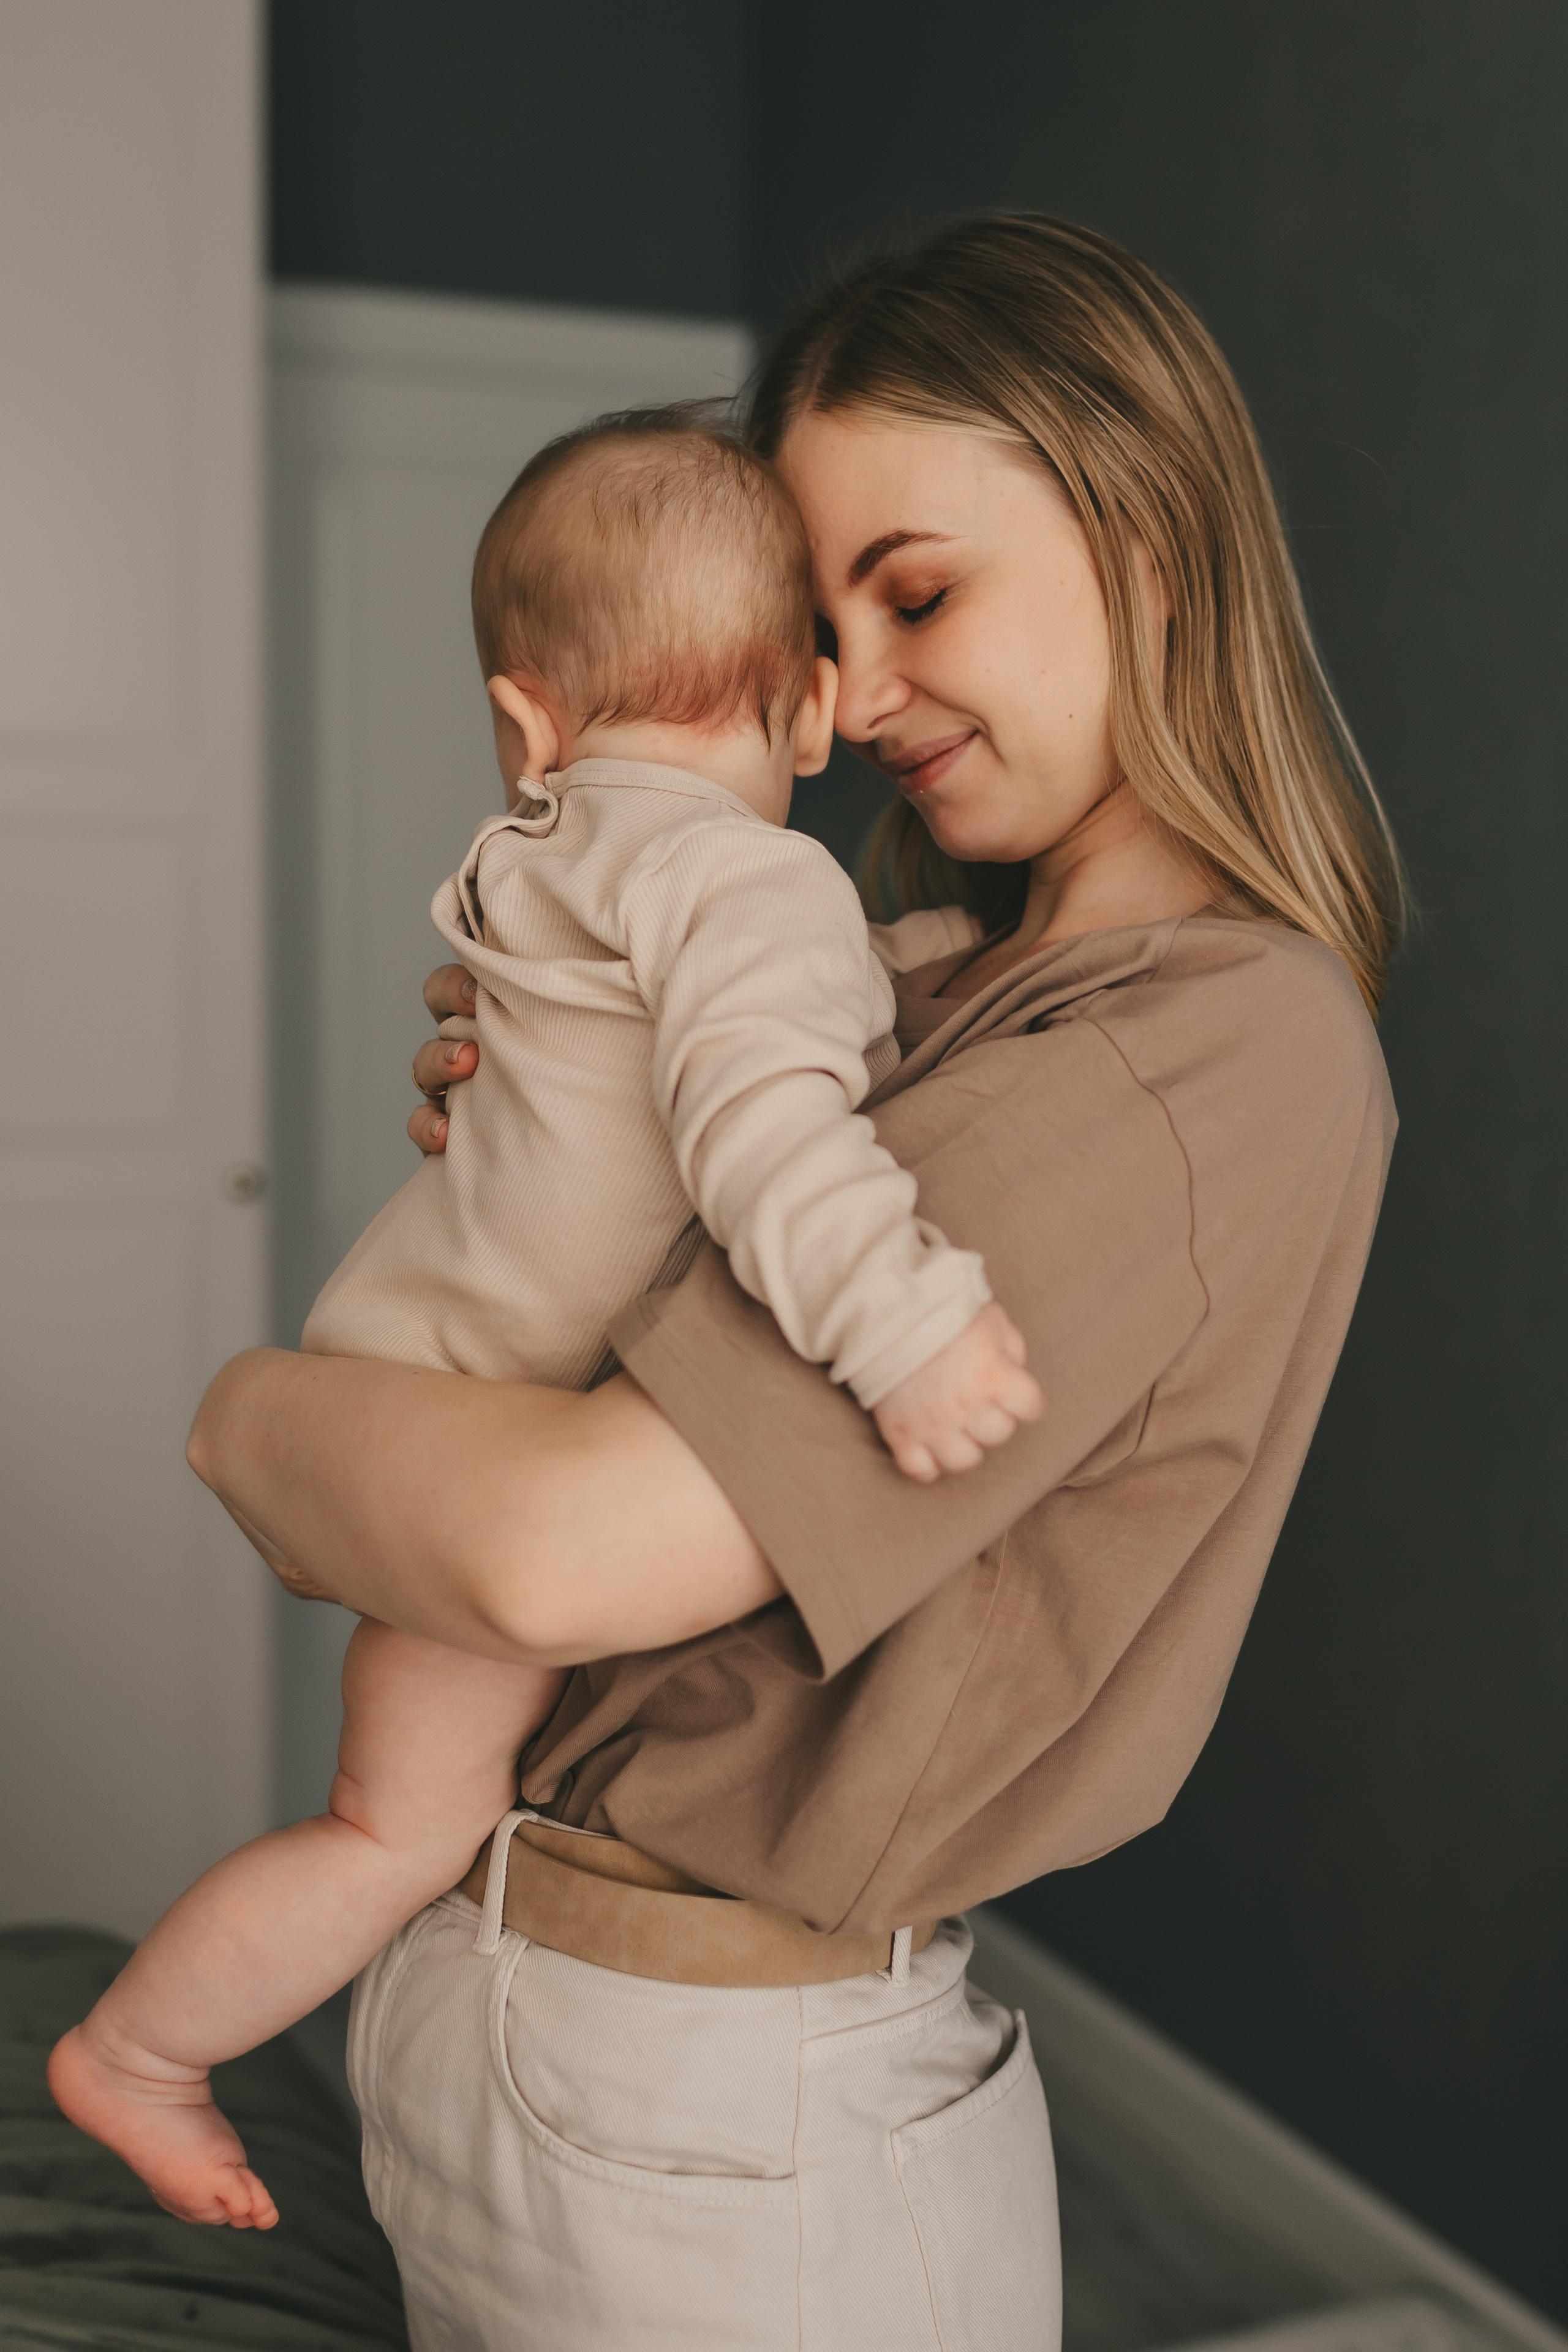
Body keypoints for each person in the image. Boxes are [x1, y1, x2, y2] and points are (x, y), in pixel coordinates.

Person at [181, 214, 1402, 2352]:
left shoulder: (1204, 1044)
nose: (852, 691)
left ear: (1150, 537)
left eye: (918, 591)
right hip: (528, 2015)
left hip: (726, 2108)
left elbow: (560, 1555)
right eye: (817, 625)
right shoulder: (912, 991)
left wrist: (252, 1422)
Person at [47, 412, 1045, 2231]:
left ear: (528, 728)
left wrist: (902, 972)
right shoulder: (757, 886)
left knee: (398, 1819)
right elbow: (764, 1127)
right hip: (481, 1439)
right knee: (395, 1832)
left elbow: (714, 1047)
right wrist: (903, 1329)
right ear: (816, 718)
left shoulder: (549, 853)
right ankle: (135, 2054)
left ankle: (150, 2050)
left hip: (404, 1380)